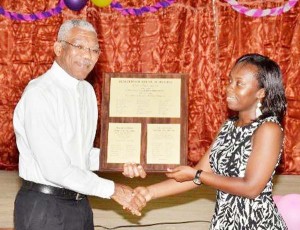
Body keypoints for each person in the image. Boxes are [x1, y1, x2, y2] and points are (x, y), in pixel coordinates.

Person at [13, 19, 146, 230]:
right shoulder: (39, 94)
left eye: (94, 50)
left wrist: (119, 161)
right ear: (59, 48)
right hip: (44, 208)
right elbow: (56, 169)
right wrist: (113, 190)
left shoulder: (86, 91)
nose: (87, 55)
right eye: (79, 46)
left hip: (80, 203)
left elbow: (81, 155)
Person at [129, 53, 288, 229]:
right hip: (223, 223)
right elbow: (197, 174)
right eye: (229, 81)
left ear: (261, 92)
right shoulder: (228, 126)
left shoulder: (268, 129)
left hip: (256, 224)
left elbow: (251, 188)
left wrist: (197, 176)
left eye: (239, 83)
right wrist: (149, 192)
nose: (229, 88)